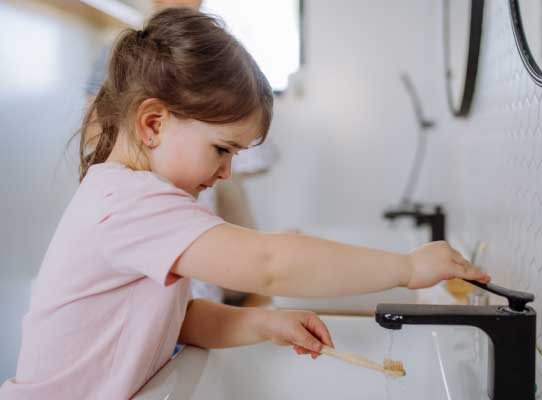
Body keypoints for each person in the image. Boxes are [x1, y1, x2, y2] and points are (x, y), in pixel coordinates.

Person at [0, 7, 490, 400]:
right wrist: (404, 267)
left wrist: (261, 321)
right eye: (222, 150)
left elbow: (176, 319)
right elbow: (268, 264)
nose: (226, 171)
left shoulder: (133, 198)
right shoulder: (129, 201)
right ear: (153, 124)